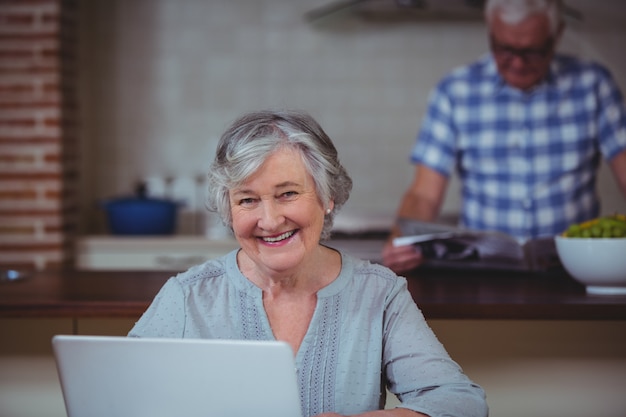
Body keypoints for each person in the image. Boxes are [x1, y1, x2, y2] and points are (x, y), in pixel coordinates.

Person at [128, 110, 488, 417]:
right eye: (247, 200)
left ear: (327, 196)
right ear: (228, 208)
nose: (269, 220)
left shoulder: (379, 294)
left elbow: (461, 402)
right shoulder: (188, 296)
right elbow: (118, 399)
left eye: (287, 193)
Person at [383, 0, 626, 273]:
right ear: (491, 32)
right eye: (505, 49)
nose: (518, 63)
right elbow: (423, 194)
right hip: (483, 276)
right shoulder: (454, 91)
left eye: (533, 51)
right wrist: (401, 240)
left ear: (557, 34)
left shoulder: (594, 84)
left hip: (577, 271)